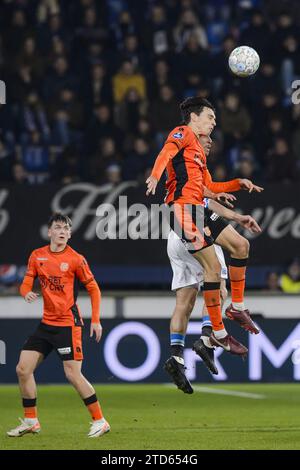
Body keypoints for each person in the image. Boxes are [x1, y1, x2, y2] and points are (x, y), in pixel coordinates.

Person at [146, 97, 260, 389]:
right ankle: (216, 335)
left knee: (240, 247)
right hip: (184, 214)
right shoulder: (182, 134)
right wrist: (155, 176)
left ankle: (234, 310)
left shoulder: (198, 152)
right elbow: (165, 153)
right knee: (213, 272)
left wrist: (238, 183)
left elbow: (211, 189)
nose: (213, 123)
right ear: (194, 118)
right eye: (210, 117)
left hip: (198, 212)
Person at [7, 213, 110, 438]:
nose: (62, 231)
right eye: (58, 227)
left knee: (73, 375)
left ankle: (100, 420)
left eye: (66, 229)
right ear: (50, 231)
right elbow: (25, 284)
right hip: (46, 324)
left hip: (68, 324)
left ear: (70, 234)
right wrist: (26, 293)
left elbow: (94, 289)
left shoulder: (76, 259)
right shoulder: (37, 256)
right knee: (22, 369)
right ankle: (31, 420)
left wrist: (95, 320)